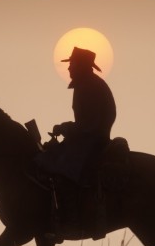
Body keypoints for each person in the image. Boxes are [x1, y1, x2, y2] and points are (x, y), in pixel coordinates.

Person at [41, 46, 116, 185]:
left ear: (81, 66)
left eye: (72, 64)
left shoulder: (89, 86)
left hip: (90, 142)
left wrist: (64, 128)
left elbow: (89, 125)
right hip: (88, 139)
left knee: (50, 165)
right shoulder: (88, 84)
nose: (69, 68)